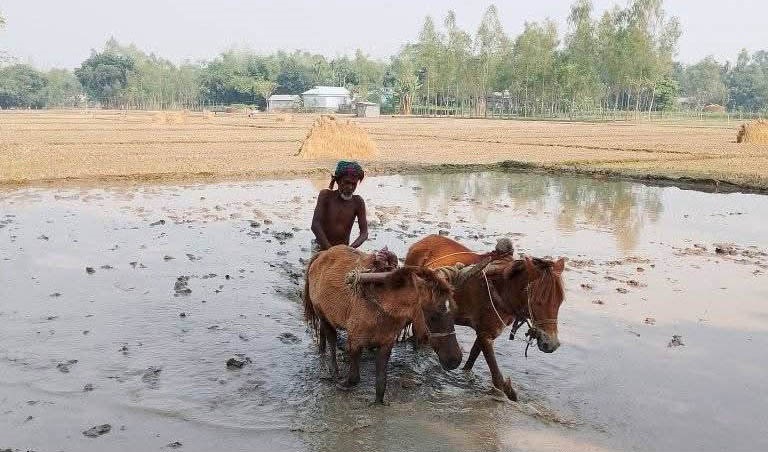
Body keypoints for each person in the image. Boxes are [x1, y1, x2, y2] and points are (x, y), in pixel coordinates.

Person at [311, 161, 368, 252]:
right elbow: (315, 225)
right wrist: (330, 250)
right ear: (338, 181)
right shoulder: (326, 196)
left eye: (354, 184)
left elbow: (364, 233)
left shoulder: (358, 202)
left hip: (343, 250)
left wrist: (350, 249)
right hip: (320, 247)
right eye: (346, 182)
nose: (350, 187)